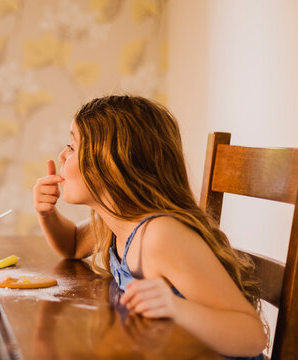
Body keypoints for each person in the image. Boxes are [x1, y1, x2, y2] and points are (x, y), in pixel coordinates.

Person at [32, 95, 267, 359]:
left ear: (112, 164)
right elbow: (73, 245)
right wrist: (47, 213)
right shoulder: (115, 223)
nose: (62, 154)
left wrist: (175, 307)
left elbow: (251, 336)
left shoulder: (159, 236)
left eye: (72, 146)